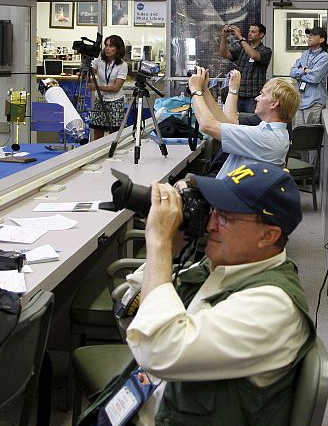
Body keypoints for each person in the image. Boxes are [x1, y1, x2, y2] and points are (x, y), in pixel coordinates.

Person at [125, 162, 315, 425]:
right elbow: (131, 314)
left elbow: (156, 350)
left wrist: (160, 243)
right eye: (213, 210)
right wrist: (173, 247)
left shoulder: (272, 306)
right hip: (147, 402)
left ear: (268, 236)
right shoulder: (225, 266)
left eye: (225, 217)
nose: (210, 225)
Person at [187, 66, 298, 178]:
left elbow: (207, 126)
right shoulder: (269, 132)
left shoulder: (267, 138)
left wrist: (195, 90)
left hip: (227, 192)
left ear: (274, 104)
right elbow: (228, 124)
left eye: (262, 95)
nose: (257, 98)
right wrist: (205, 90)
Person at [219, 23, 272, 114]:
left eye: (253, 32)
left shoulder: (266, 51)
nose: (249, 33)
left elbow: (253, 55)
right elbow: (224, 53)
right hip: (237, 95)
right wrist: (224, 37)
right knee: (234, 122)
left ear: (261, 35)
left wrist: (240, 37)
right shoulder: (242, 49)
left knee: (250, 124)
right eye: (249, 31)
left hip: (253, 98)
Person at [88, 34, 128, 139]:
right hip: (100, 99)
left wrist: (97, 87)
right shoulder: (100, 59)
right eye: (106, 45)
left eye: (110, 46)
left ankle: (112, 153)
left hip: (115, 101)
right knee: (97, 129)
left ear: (118, 49)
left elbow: (116, 88)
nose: (107, 48)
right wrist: (86, 67)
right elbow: (91, 69)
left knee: (114, 133)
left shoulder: (122, 65)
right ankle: (97, 152)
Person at [289, 27, 328, 125]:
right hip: (300, 101)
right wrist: (304, 70)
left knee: (309, 135)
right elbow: (292, 72)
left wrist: (299, 75)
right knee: (298, 133)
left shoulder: (324, 57)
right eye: (309, 35)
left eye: (312, 36)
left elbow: (314, 78)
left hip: (314, 101)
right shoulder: (305, 54)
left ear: (321, 39)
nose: (309, 38)